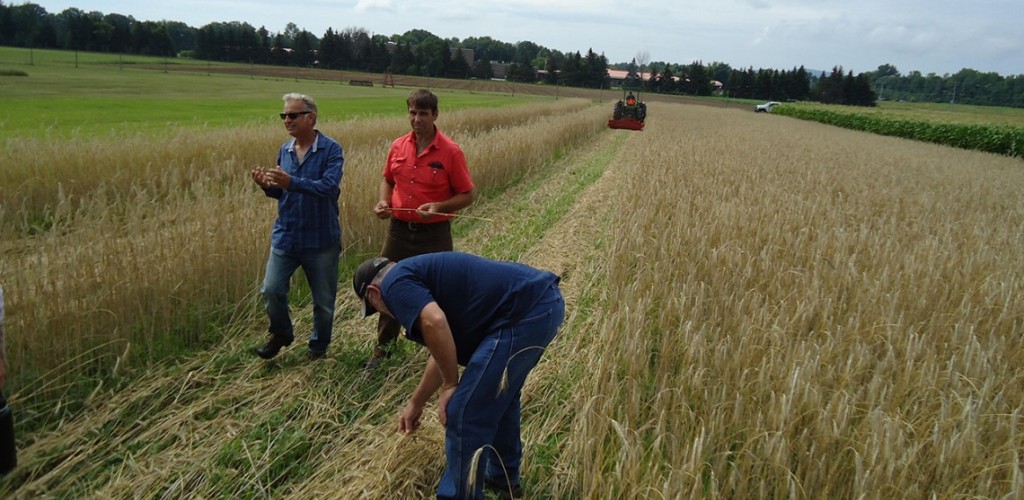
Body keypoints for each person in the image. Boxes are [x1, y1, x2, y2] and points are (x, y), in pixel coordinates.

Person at [353, 252, 564, 499]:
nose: (382, 313)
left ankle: (459, 494)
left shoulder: (393, 284)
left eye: (373, 307)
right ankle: (502, 480)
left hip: (524, 313)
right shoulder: (412, 276)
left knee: (465, 411)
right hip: (539, 305)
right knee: (496, 396)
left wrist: (450, 385)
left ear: (373, 293)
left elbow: (435, 322)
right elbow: (441, 348)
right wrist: (416, 403)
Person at [368, 89, 475, 370]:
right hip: (398, 232)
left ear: (435, 115)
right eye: (412, 112)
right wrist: (384, 201)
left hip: (434, 235)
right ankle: (382, 351)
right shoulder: (398, 146)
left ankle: (444, 353)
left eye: (423, 113)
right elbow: (388, 180)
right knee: (387, 286)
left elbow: (467, 195)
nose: (416, 119)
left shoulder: (451, 152)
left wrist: (439, 207)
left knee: (440, 292)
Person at [250, 93, 344, 361]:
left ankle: (317, 349)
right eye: (284, 116)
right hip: (287, 236)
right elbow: (284, 193)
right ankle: (281, 333)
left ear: (310, 118)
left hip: (321, 240)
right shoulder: (285, 150)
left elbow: (328, 188)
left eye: (292, 115)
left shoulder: (331, 150)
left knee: (323, 303)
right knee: (271, 289)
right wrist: (267, 186)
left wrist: (291, 182)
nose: (287, 120)